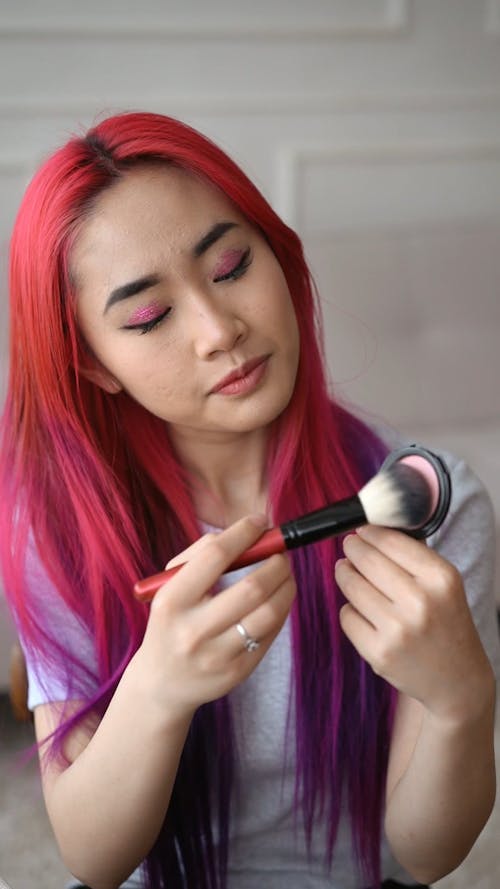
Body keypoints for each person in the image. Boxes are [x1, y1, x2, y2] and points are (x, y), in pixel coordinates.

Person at [0, 111, 498, 889]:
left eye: (231, 265)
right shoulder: (61, 530)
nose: (218, 329)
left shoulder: (427, 501)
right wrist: (157, 690)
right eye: (148, 316)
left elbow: (427, 856)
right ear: (94, 364)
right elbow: (93, 859)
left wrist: (464, 700)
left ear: (277, 251)